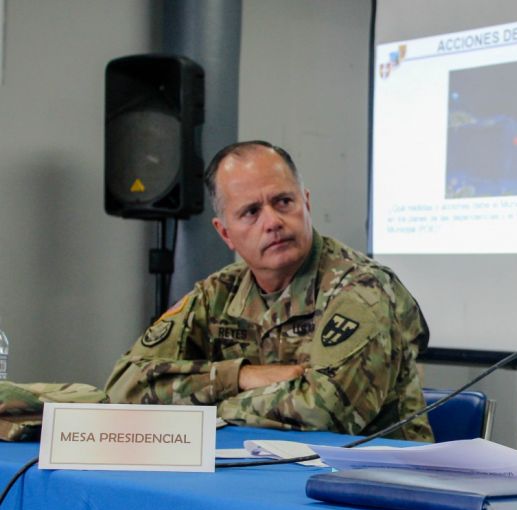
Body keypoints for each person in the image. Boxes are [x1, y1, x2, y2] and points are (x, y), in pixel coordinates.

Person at [105, 141, 433, 442]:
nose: (272, 221)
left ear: (306, 203)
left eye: (283, 202)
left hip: (379, 486)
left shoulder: (361, 287)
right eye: (251, 212)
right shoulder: (217, 293)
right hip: (267, 474)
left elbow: (324, 410)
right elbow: (125, 386)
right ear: (226, 234)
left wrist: (202, 408)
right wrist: (240, 376)